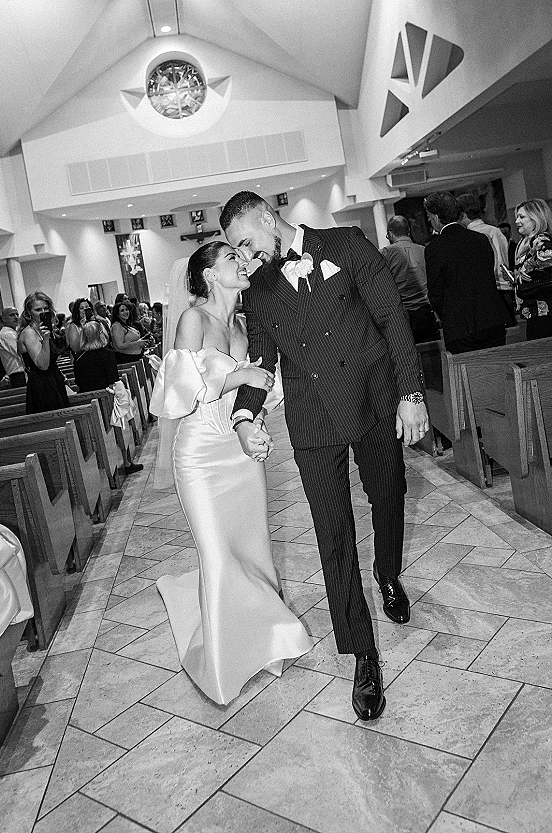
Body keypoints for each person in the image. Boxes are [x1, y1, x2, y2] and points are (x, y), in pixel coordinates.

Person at [220, 192, 428, 722]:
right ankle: (362, 653)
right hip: (313, 423)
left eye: (246, 244)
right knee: (332, 534)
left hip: (374, 399)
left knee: (388, 496)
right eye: (235, 253)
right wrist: (245, 416)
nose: (244, 260)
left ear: (269, 219)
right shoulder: (261, 290)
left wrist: (411, 394)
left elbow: (391, 319)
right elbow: (263, 360)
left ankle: (387, 572)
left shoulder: (346, 245)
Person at [149, 245, 312, 705]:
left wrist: (254, 419)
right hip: (200, 454)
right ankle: (222, 662)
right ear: (208, 274)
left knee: (252, 546)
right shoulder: (193, 321)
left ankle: (266, 641)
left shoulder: (245, 326)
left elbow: (264, 387)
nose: (242, 263)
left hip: (240, 454)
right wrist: (241, 378)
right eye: (230, 259)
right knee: (219, 552)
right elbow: (177, 391)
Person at [424, 192, 509, 354]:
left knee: (469, 378)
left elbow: (435, 293)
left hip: (461, 327)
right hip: (492, 319)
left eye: (429, 216)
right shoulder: (481, 239)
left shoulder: (435, 248)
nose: (429, 220)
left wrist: (450, 315)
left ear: (435, 217)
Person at [74, 320, 143, 474]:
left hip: (87, 401)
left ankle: (103, 468)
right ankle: (126, 462)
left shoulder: (79, 356)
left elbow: (78, 381)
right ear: (101, 334)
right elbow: (113, 379)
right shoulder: (107, 354)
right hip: (106, 398)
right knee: (119, 424)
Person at [457, 194, 515, 326]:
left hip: (490, 292)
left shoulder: (470, 236)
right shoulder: (495, 231)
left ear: (462, 215)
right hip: (504, 288)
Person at [379, 215, 440, 343]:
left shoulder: (385, 254)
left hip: (403, 316)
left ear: (390, 234)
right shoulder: (424, 250)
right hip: (427, 314)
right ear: (408, 231)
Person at [17, 292, 69, 414]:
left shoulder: (43, 329)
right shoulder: (29, 333)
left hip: (54, 380)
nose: (43, 312)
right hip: (42, 385)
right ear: (29, 312)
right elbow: (43, 365)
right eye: (38, 309)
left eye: (46, 308)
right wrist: (46, 340)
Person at [514, 199, 552, 340]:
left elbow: (546, 262)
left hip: (545, 310)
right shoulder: (524, 242)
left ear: (536, 219)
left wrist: (526, 267)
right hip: (532, 309)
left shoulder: (542, 240)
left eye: (522, 217)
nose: (517, 221)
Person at [0, 307, 26, 387]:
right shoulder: (7, 334)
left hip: (19, 373)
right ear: (4, 318)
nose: (16, 317)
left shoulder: (11, 332)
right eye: (12, 315)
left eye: (17, 314)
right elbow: (20, 353)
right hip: (18, 374)